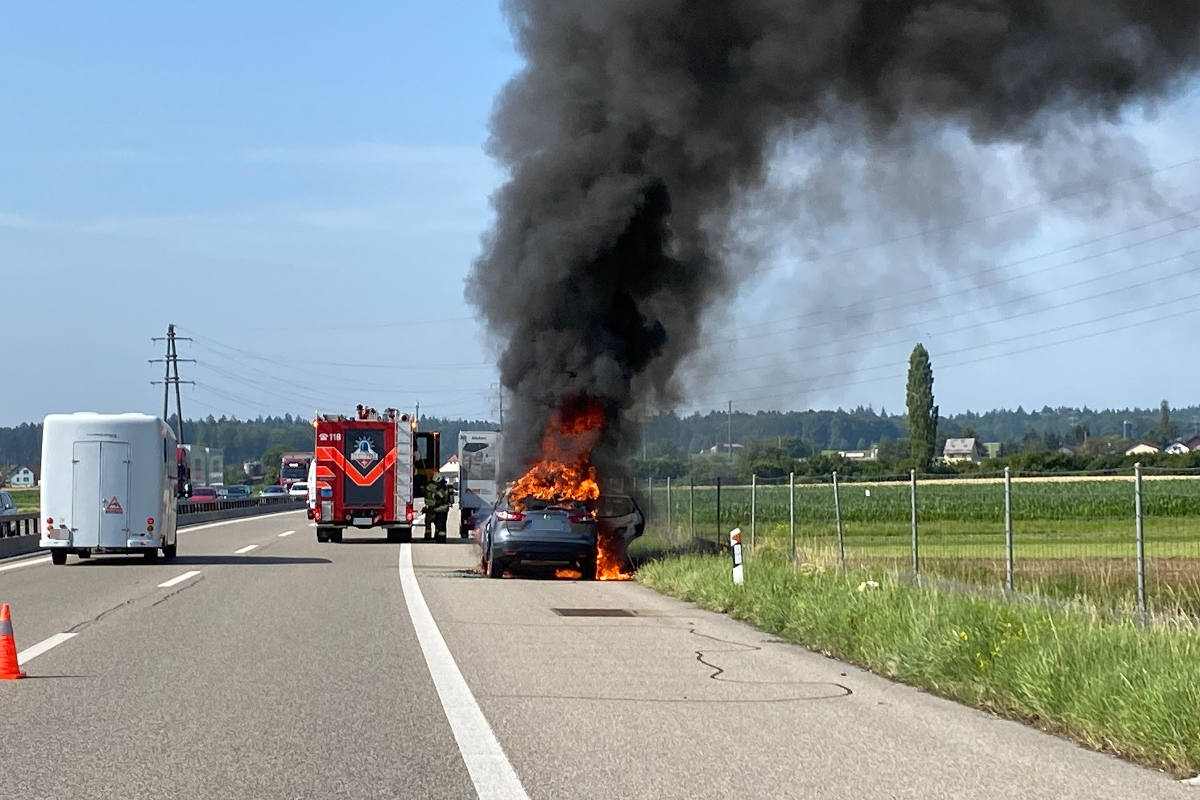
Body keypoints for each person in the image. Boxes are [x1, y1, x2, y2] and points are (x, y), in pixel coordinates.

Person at [424, 476, 454, 540]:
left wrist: (433, 496)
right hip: (443, 509)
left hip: (440, 509)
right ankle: (439, 537)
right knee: (440, 524)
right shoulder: (444, 487)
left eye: (436, 482)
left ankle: (441, 538)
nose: (435, 483)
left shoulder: (441, 488)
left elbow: (439, 498)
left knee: (440, 524)